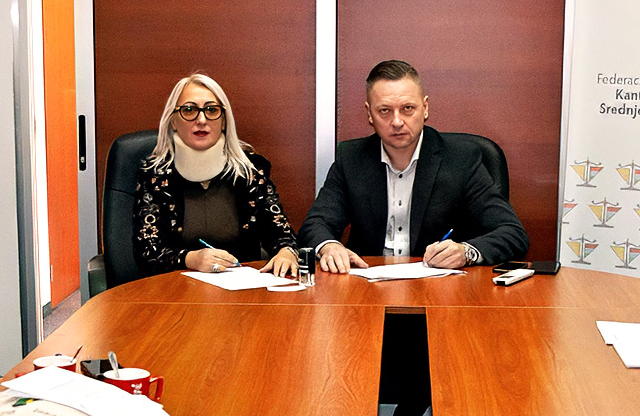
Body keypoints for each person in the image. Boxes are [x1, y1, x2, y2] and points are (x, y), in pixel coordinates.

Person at [299, 59, 529, 272]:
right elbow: (315, 224)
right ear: (369, 114)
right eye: (384, 111)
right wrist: (329, 246)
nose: (397, 121)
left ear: (425, 108)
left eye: (407, 108)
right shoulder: (351, 158)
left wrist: (465, 252)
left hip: (440, 290)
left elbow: (512, 233)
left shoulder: (461, 159)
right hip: (367, 286)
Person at [133, 73, 298, 277]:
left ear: (224, 121)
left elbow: (281, 233)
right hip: (175, 287)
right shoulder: (155, 176)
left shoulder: (250, 171)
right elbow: (147, 254)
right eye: (189, 110)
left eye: (212, 110)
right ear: (173, 121)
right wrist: (190, 259)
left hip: (243, 287)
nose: (201, 120)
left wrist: (286, 252)